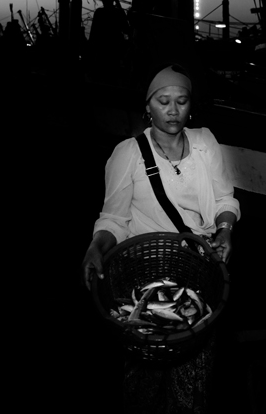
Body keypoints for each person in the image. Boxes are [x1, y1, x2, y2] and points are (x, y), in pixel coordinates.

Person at [82, 64, 239, 413]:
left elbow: (225, 199)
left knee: (195, 367)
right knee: (144, 370)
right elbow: (114, 218)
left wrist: (225, 229)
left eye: (180, 101)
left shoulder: (204, 142)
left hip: (198, 264)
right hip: (145, 268)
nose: (172, 110)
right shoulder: (128, 153)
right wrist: (96, 247)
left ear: (190, 105)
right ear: (148, 106)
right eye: (163, 101)